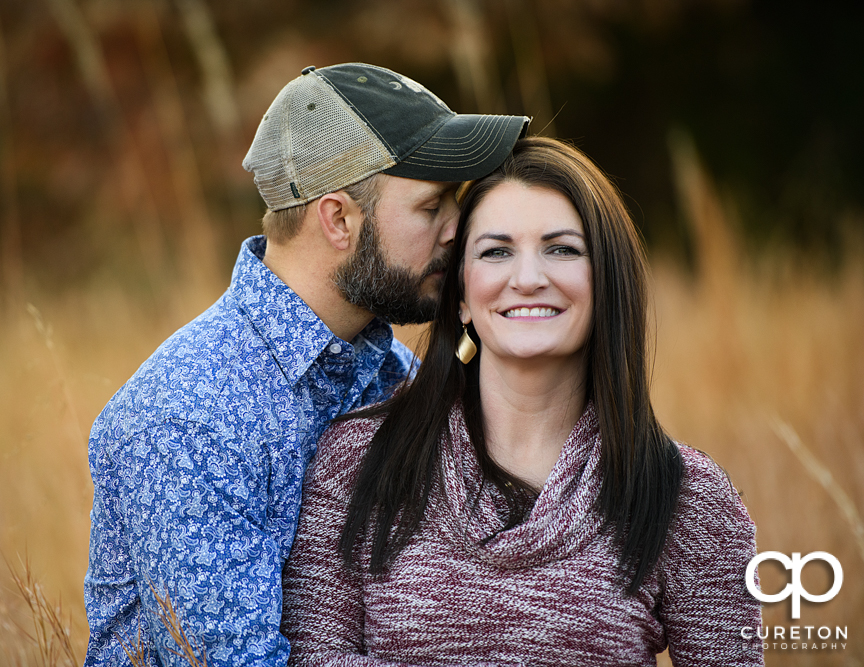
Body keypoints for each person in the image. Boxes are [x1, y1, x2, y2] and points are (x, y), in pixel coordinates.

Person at [82, 63, 530, 666]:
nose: (459, 228)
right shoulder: (188, 414)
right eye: (431, 206)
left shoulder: (389, 370)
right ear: (338, 219)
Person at [282, 137, 764, 666]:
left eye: (562, 249)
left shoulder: (685, 496)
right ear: (461, 294)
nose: (529, 279)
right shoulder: (354, 463)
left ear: (606, 280)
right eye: (496, 251)